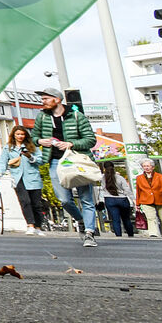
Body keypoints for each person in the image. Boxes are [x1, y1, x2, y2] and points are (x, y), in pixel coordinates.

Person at [35, 88, 100, 245]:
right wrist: (39, 141)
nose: (43, 101)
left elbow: (91, 140)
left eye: (45, 98)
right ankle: (81, 220)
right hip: (55, 162)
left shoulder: (77, 116)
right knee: (64, 200)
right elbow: (34, 136)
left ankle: (90, 233)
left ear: (57, 99)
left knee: (86, 199)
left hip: (78, 160)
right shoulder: (42, 117)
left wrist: (71, 144)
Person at [1, 124, 47, 235]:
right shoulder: (8, 148)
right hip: (18, 177)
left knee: (36, 203)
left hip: (32, 177)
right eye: (18, 134)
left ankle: (38, 227)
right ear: (14, 135)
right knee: (25, 201)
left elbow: (41, 161)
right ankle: (30, 225)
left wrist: (31, 157)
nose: (20, 136)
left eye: (22, 134)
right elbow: (2, 161)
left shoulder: (32, 147)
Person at [99, 162, 137, 238]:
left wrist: (101, 200)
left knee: (115, 219)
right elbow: (127, 189)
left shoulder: (103, 178)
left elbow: (102, 189)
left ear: (104, 168)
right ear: (113, 167)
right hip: (122, 199)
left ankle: (118, 236)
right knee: (126, 219)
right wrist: (133, 199)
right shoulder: (120, 178)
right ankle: (130, 234)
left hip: (109, 199)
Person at [138, 162, 162, 236]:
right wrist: (137, 203)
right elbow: (138, 191)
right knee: (151, 218)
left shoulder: (161, 177)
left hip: (160, 200)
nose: (146, 168)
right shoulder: (139, 178)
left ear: (153, 167)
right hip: (146, 201)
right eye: (144, 166)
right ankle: (153, 234)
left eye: (148, 166)